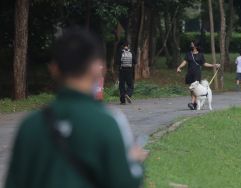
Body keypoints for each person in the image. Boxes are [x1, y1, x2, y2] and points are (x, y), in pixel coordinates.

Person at [5, 28, 147, 188]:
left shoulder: (29, 126)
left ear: (53, 69)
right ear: (98, 69)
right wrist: (135, 162)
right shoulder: (110, 122)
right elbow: (125, 182)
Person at [176, 41, 220, 110]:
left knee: (195, 88)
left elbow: (204, 63)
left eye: (192, 43)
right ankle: (195, 103)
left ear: (195, 46)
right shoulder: (188, 54)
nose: (191, 44)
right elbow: (184, 62)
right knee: (192, 89)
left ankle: (193, 103)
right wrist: (179, 67)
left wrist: (213, 65)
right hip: (190, 73)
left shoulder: (200, 55)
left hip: (197, 73)